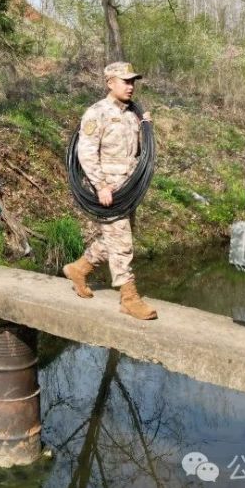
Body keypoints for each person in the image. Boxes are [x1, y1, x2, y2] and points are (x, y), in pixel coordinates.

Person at [62, 61, 158, 320]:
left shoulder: (132, 114)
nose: (130, 86)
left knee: (114, 240)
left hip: (129, 190)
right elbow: (86, 152)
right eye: (125, 81)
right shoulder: (97, 113)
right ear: (109, 83)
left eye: (132, 81)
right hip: (109, 192)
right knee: (122, 243)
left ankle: (79, 269)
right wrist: (100, 185)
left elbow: (139, 152)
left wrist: (145, 126)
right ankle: (129, 297)